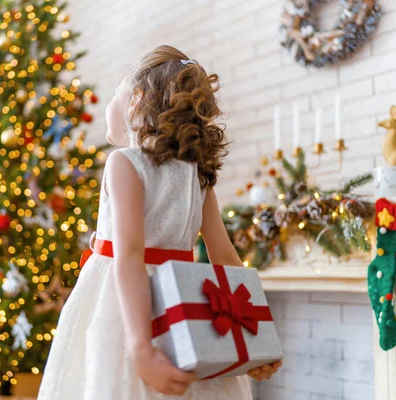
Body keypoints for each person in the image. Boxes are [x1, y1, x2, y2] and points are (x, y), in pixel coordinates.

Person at [37, 45, 282, 400]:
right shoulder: (198, 176)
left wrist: (141, 349)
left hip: (123, 307)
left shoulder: (125, 163)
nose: (110, 105)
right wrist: (256, 339)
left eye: (115, 95)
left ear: (135, 100)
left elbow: (131, 255)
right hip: (183, 304)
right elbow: (227, 260)